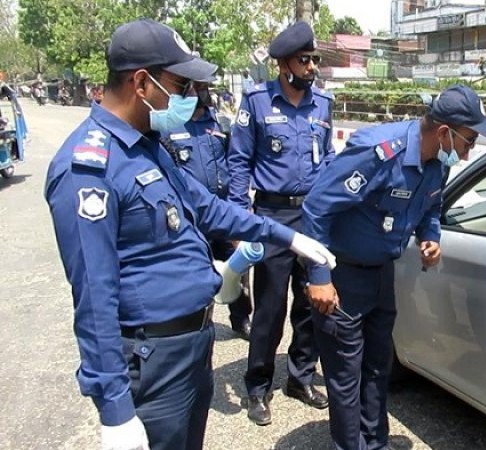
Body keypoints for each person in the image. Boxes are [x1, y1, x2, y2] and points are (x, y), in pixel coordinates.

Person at [44, 19, 335, 450]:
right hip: (153, 359)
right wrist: (115, 411)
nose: (188, 97)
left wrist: (286, 237)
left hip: (191, 348)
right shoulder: (89, 168)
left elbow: (206, 207)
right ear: (142, 83)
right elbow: (94, 299)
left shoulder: (146, 146)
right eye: (180, 85)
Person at [303, 84, 486, 450]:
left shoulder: (435, 165)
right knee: (346, 376)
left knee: (378, 368)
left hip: (381, 276)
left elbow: (430, 208)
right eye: (469, 141)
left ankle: (375, 442)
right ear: (445, 133)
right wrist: (318, 277)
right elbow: (317, 208)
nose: (469, 150)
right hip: (342, 277)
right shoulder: (378, 152)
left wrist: (431, 237)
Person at [228, 20, 335, 426]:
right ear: (283, 65)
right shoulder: (256, 101)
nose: (311, 67)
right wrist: (241, 222)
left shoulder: (322, 104)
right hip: (271, 214)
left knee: (310, 303)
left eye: (314, 60)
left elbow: (326, 158)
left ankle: (300, 377)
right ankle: (258, 387)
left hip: (311, 215)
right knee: (270, 308)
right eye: (304, 60)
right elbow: (238, 162)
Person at [161, 80, 253, 340]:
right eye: (198, 88)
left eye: (205, 88)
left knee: (238, 266)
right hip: (193, 215)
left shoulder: (221, 125)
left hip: (223, 210)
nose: (205, 93)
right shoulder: (170, 127)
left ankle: (242, 318)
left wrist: (240, 205)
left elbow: (236, 165)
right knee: (197, 271)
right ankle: (200, 322)